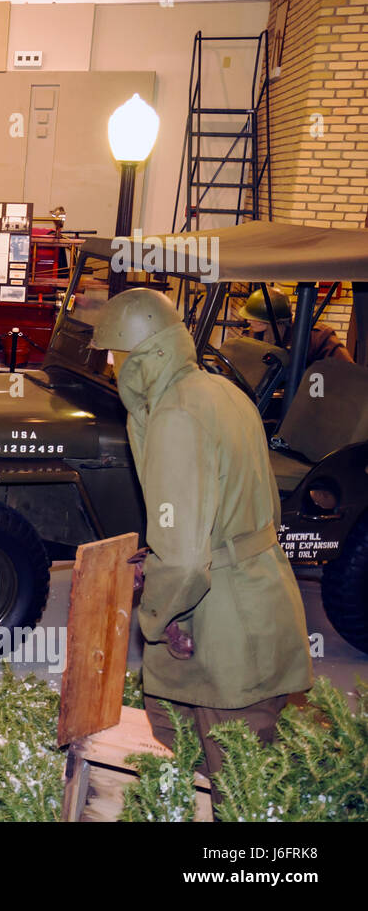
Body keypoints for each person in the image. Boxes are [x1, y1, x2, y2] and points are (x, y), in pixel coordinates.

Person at [92, 288, 312, 802]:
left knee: (237, 796)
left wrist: (156, 616)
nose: (109, 365)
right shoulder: (224, 393)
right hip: (262, 605)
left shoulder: (175, 415)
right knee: (241, 785)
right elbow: (263, 510)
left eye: (114, 353)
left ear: (143, 356)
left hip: (222, 638)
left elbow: (188, 561)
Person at [241, 286, 352, 364]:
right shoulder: (252, 335)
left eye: (256, 319)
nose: (249, 322)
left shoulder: (318, 338)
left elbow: (347, 372)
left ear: (278, 322)